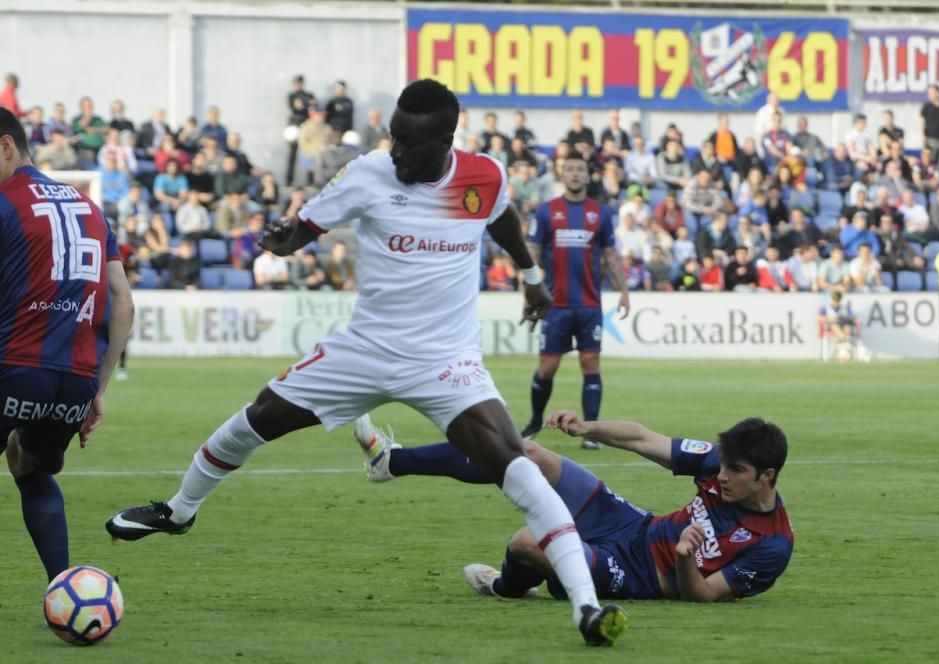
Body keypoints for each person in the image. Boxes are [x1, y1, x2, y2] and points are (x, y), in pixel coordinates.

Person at [105, 80, 626, 646]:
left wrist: (529, 278)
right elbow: (301, 230)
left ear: (444, 140)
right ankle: (179, 511)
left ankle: (586, 608)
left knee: (515, 463)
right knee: (257, 418)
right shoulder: (367, 173)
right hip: (365, 350)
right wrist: (281, 240)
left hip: (445, 359)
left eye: (408, 142)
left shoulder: (484, 175)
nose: (395, 151)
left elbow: (500, 219)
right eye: (392, 137)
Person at [351, 409, 793, 603]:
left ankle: (507, 587)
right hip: (633, 525)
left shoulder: (772, 545)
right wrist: (588, 427)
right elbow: (644, 438)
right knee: (528, 452)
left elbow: (704, 597)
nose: (721, 476)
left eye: (734, 472)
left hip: (639, 575)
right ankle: (390, 461)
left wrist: (683, 561)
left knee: (527, 542)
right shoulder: (719, 463)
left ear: (766, 477)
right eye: (724, 467)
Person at [0, 108, 133, 581]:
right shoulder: (89, 208)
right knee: (30, 466)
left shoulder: (5, 203)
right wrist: (97, 391)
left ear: (6, 146)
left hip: (13, 367)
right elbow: (123, 305)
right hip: (74, 384)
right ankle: (64, 586)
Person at [520, 151, 629, 451]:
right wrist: (528, 295)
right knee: (547, 367)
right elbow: (533, 255)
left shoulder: (600, 212)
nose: (575, 174)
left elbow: (610, 255)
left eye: (580, 168)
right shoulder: (546, 211)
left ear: (587, 174)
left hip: (589, 304)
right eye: (569, 169)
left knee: (591, 363)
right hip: (555, 305)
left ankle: (591, 431)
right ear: (561, 174)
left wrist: (623, 290)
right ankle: (534, 421)